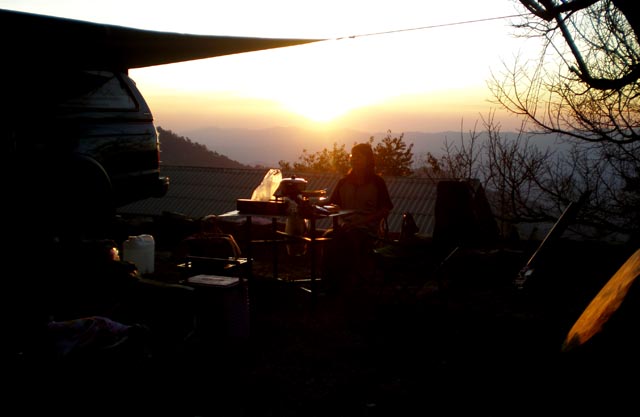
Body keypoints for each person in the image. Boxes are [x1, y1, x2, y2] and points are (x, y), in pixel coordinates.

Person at [321, 143, 393, 293]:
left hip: (368, 230)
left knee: (348, 240)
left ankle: (348, 283)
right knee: (327, 238)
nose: (354, 159)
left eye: (359, 157)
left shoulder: (377, 183)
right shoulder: (344, 182)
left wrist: (359, 222)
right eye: (353, 156)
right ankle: (330, 282)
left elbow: (385, 210)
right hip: (344, 227)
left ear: (368, 160)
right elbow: (333, 205)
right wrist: (341, 222)